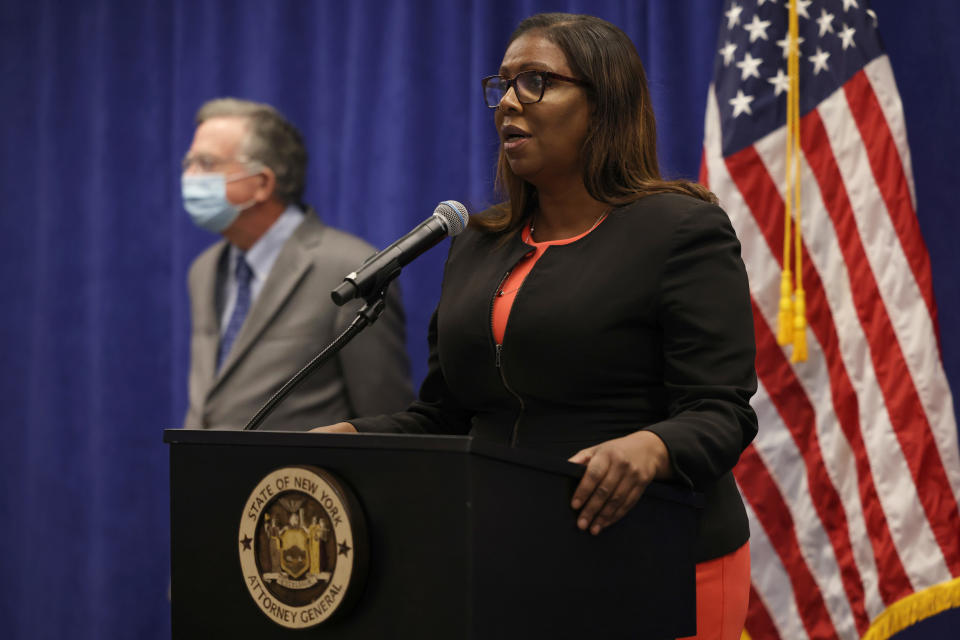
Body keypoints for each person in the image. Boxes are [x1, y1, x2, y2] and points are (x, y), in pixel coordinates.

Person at [314, 13, 757, 640]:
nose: (509, 105)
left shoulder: (681, 231)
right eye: (503, 85)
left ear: (605, 102)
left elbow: (721, 411)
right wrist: (353, 435)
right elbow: (449, 414)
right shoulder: (478, 244)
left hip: (657, 554)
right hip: (512, 557)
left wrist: (650, 447)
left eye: (537, 82)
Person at [181, 98, 414, 431]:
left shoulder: (352, 267)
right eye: (188, 163)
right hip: (207, 477)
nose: (189, 177)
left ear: (262, 183)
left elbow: (385, 420)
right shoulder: (203, 270)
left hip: (301, 480)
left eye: (205, 163)